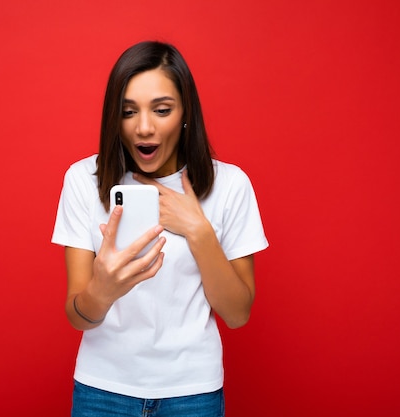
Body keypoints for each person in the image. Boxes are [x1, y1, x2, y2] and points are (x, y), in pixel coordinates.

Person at [52, 40, 268, 417]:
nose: (144, 128)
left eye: (162, 110)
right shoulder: (83, 180)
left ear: (186, 113)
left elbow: (237, 314)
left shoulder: (230, 185)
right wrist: (102, 292)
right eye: (128, 112)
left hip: (193, 393)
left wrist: (198, 231)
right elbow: (77, 316)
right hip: (102, 390)